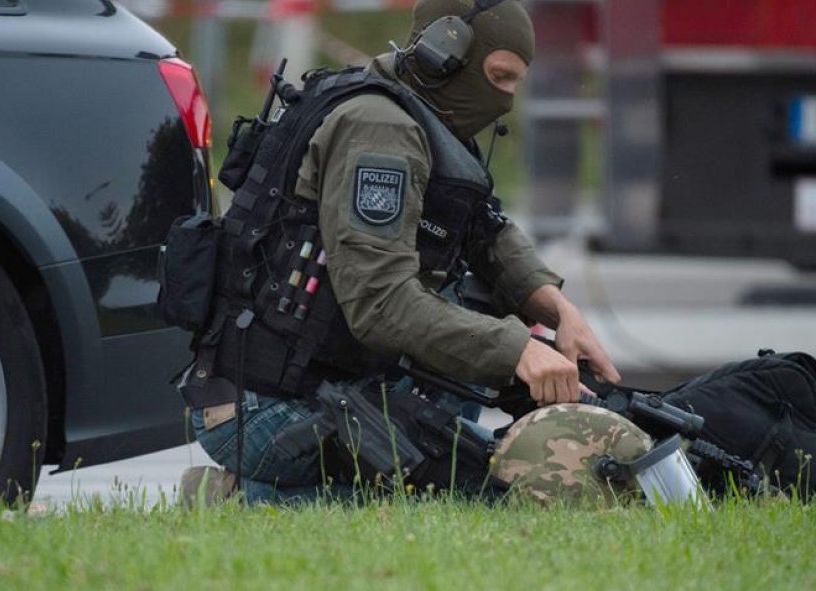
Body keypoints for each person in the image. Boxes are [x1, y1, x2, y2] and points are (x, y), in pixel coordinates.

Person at [179, 0, 631, 506]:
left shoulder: (421, 110)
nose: (505, 99)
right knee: (481, 501)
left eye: (515, 82)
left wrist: (557, 309)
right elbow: (381, 303)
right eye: (499, 76)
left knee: (484, 464)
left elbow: (484, 226)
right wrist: (518, 348)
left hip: (324, 387)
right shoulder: (381, 132)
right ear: (445, 55)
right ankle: (241, 500)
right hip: (268, 408)